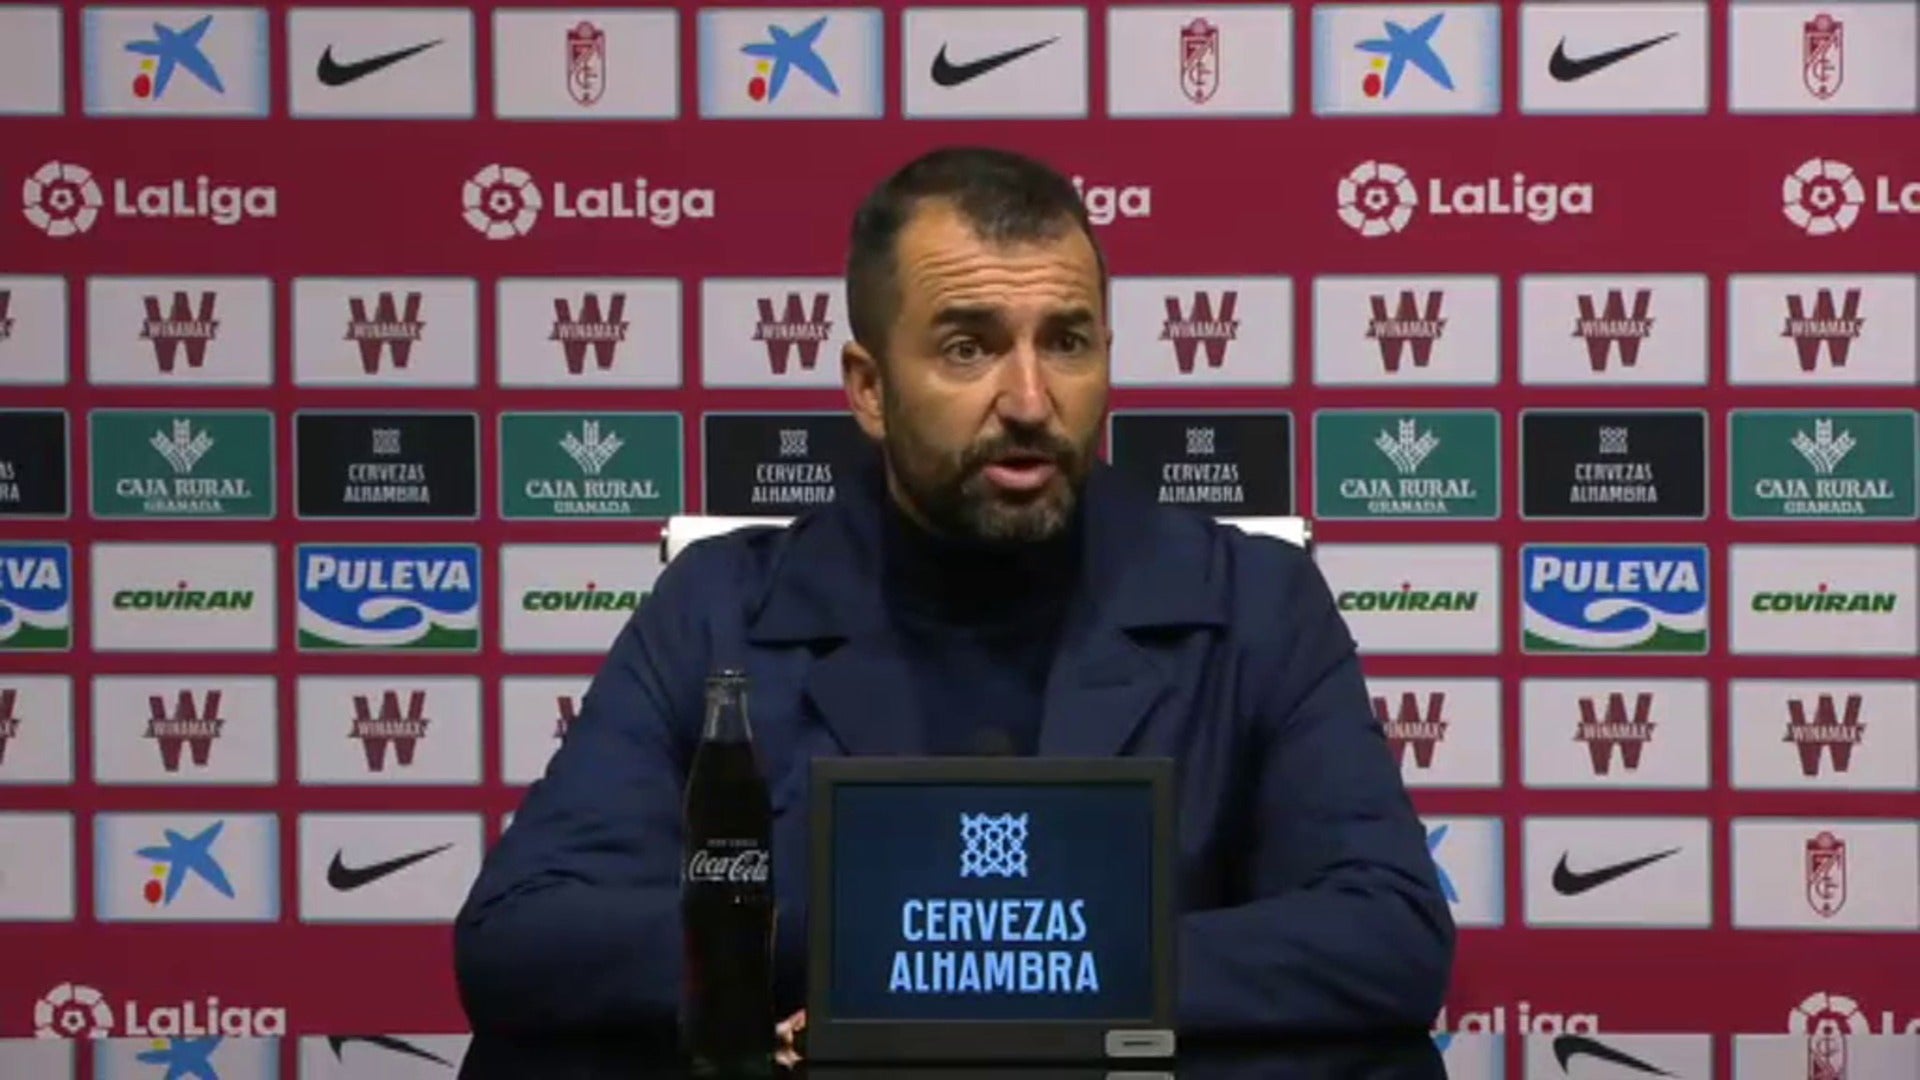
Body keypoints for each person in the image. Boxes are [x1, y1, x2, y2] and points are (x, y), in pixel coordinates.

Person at [454, 146, 1455, 1041]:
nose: (1029, 400)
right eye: (967, 348)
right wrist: (908, 946)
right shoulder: (721, 607)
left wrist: (938, 963)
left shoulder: (1254, 602)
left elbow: (1387, 935)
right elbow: (525, 937)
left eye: (1067, 341)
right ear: (868, 387)